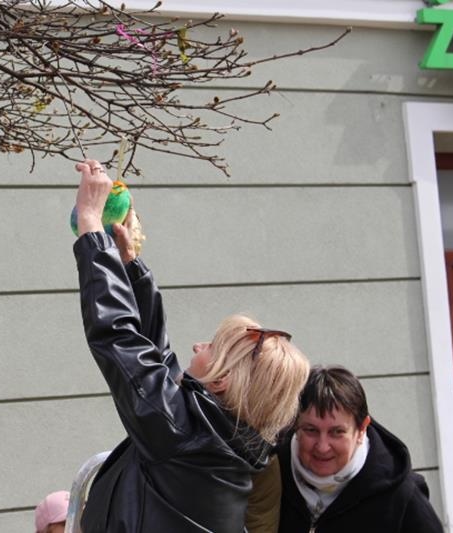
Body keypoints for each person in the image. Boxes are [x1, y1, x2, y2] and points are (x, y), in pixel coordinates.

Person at [72, 159, 311, 532]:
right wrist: (130, 266)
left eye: (212, 347)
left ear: (222, 381)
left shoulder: (183, 433)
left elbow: (118, 336)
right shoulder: (215, 439)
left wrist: (90, 225)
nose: (199, 346)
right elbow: (157, 360)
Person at [277, 365, 443, 532]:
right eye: (311, 430)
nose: (322, 447)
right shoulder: (273, 473)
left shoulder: (401, 495)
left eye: (337, 432)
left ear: (362, 428)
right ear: (295, 424)